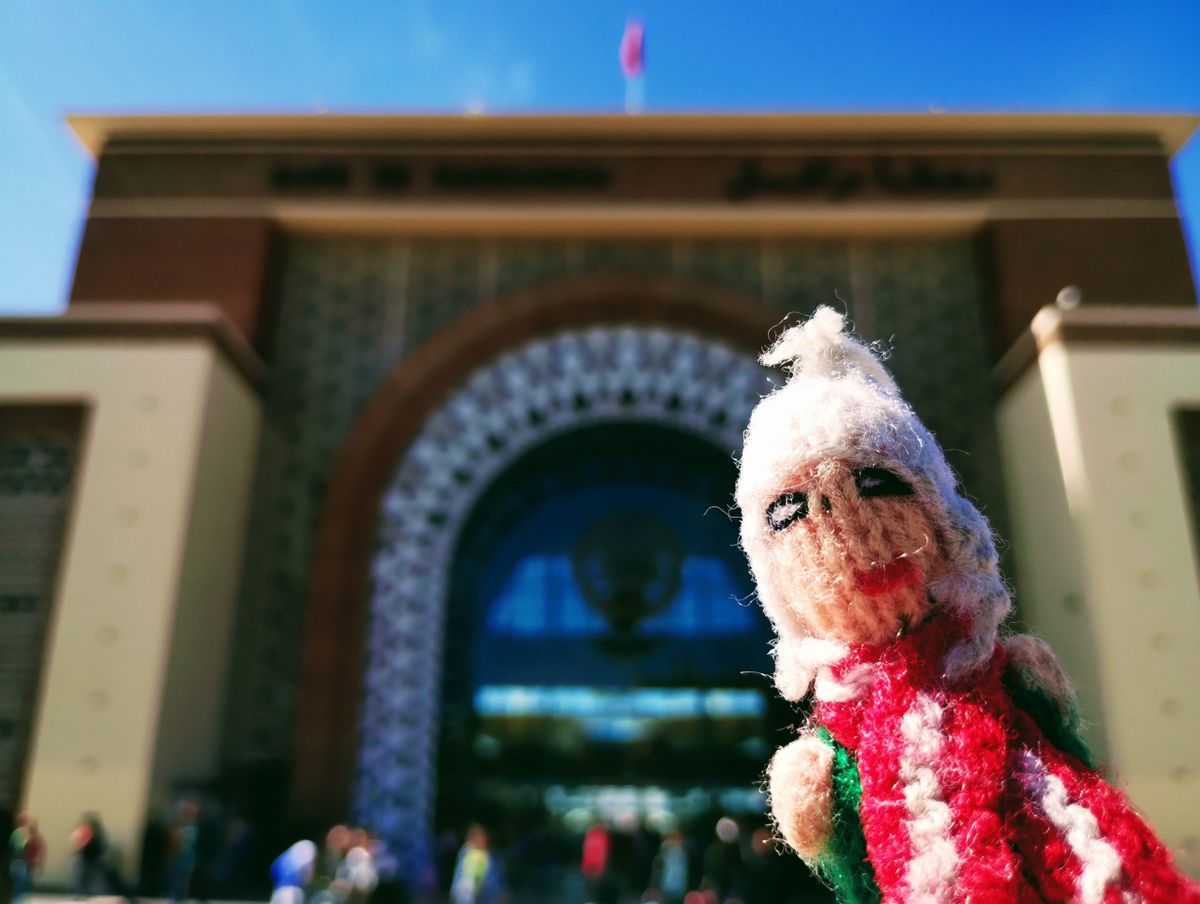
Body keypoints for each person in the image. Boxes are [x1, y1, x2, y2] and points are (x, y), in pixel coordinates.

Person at [449, 825, 499, 904]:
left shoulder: (488, 855)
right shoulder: (465, 852)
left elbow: (493, 877)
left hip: (483, 893)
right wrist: (454, 890)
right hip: (465, 892)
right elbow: (459, 873)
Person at [70, 813, 109, 896]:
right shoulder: (95, 833)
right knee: (88, 877)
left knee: (83, 876)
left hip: (88, 858)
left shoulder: (85, 831)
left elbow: (80, 843)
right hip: (91, 858)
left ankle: (82, 893)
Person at [647, 830, 688, 904]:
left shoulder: (683, 853)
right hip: (666, 888)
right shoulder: (664, 852)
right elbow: (657, 872)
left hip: (678, 889)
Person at [270, 840, 317, 904]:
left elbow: (272, 871)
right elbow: (307, 872)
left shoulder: (283, 857)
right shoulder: (308, 848)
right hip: (292, 892)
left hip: (278, 891)